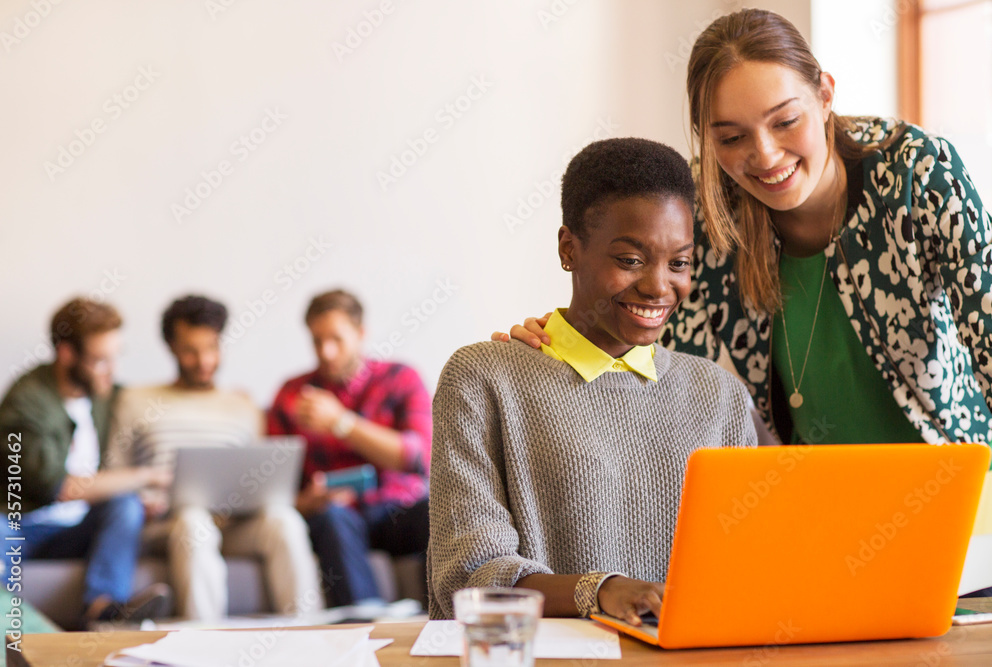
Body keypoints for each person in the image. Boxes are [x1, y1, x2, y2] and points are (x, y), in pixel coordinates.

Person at [497, 8, 992, 448]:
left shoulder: (915, 172)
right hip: (806, 500)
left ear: (824, 95)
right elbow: (646, 346)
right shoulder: (703, 208)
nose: (765, 156)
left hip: (948, 485)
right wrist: (560, 342)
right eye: (732, 137)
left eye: (785, 121)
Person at [429, 138, 757, 623]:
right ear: (569, 249)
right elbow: (470, 575)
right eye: (630, 260)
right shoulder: (483, 378)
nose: (658, 286)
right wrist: (602, 592)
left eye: (680, 262)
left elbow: (744, 567)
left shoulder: (718, 393)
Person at [107, 295, 323, 621]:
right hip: (168, 524)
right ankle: (204, 647)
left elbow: (263, 477)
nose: (204, 360)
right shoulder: (134, 400)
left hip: (235, 524)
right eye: (191, 351)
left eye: (211, 347)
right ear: (171, 347)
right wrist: (141, 498)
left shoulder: (244, 407)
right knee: (195, 522)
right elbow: (114, 472)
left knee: (285, 521)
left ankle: (311, 639)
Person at [0, 298, 171, 627]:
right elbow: (61, 487)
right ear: (67, 354)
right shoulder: (26, 403)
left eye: (115, 358)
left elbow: (157, 399)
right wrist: (146, 475)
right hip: (21, 524)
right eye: (100, 361)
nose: (111, 370)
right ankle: (1, 628)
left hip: (75, 527)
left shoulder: (104, 394)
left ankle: (102, 610)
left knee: (125, 506)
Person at [267, 290, 432, 607]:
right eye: (317, 341)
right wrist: (304, 502)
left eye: (336, 339)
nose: (326, 352)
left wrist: (341, 423)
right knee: (332, 518)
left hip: (398, 510)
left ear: (360, 334)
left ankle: (450, 626)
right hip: (335, 517)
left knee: (440, 510)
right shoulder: (291, 395)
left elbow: (418, 457)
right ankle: (364, 632)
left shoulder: (400, 378)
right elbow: (274, 489)